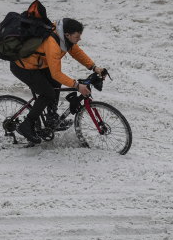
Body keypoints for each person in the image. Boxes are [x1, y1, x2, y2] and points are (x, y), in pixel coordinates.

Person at [10, 14, 104, 144]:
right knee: (47, 93)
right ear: (67, 35)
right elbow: (56, 73)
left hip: (39, 64)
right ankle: (26, 125)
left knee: (55, 84)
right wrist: (77, 86)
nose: (80, 39)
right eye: (77, 37)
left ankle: (51, 117)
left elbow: (76, 52)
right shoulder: (52, 44)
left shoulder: (64, 37)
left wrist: (93, 67)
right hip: (23, 66)